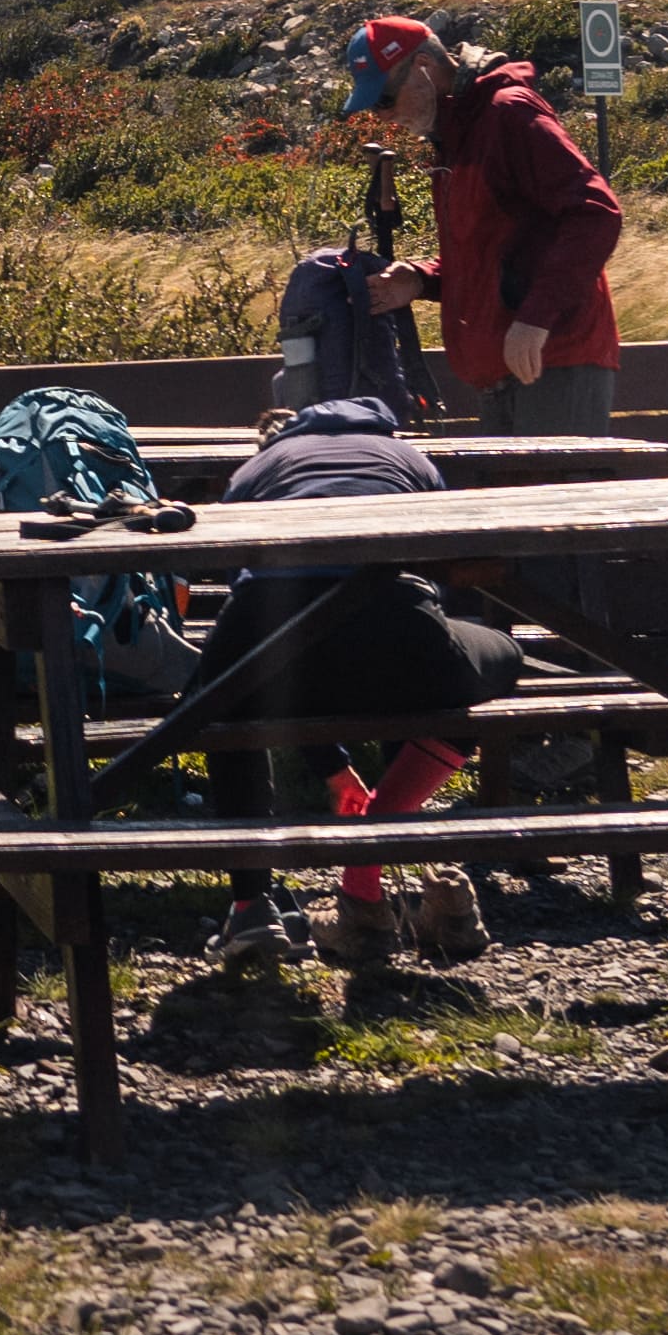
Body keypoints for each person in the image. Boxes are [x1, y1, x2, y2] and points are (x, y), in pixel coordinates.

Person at [158, 392, 533, 974]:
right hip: (399, 637)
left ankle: (251, 905)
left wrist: (329, 765)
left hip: (272, 646)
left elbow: (241, 580)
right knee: (487, 662)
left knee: (223, 703)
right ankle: (371, 875)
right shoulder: (406, 457)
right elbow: (449, 559)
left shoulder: (257, 468)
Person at [348, 11, 624, 432]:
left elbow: (596, 213)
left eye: (384, 99)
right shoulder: (457, 135)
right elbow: (493, 256)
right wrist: (422, 279)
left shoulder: (506, 113)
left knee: (557, 496)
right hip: (510, 372)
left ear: (423, 68)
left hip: (553, 362)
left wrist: (535, 319)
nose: (383, 117)